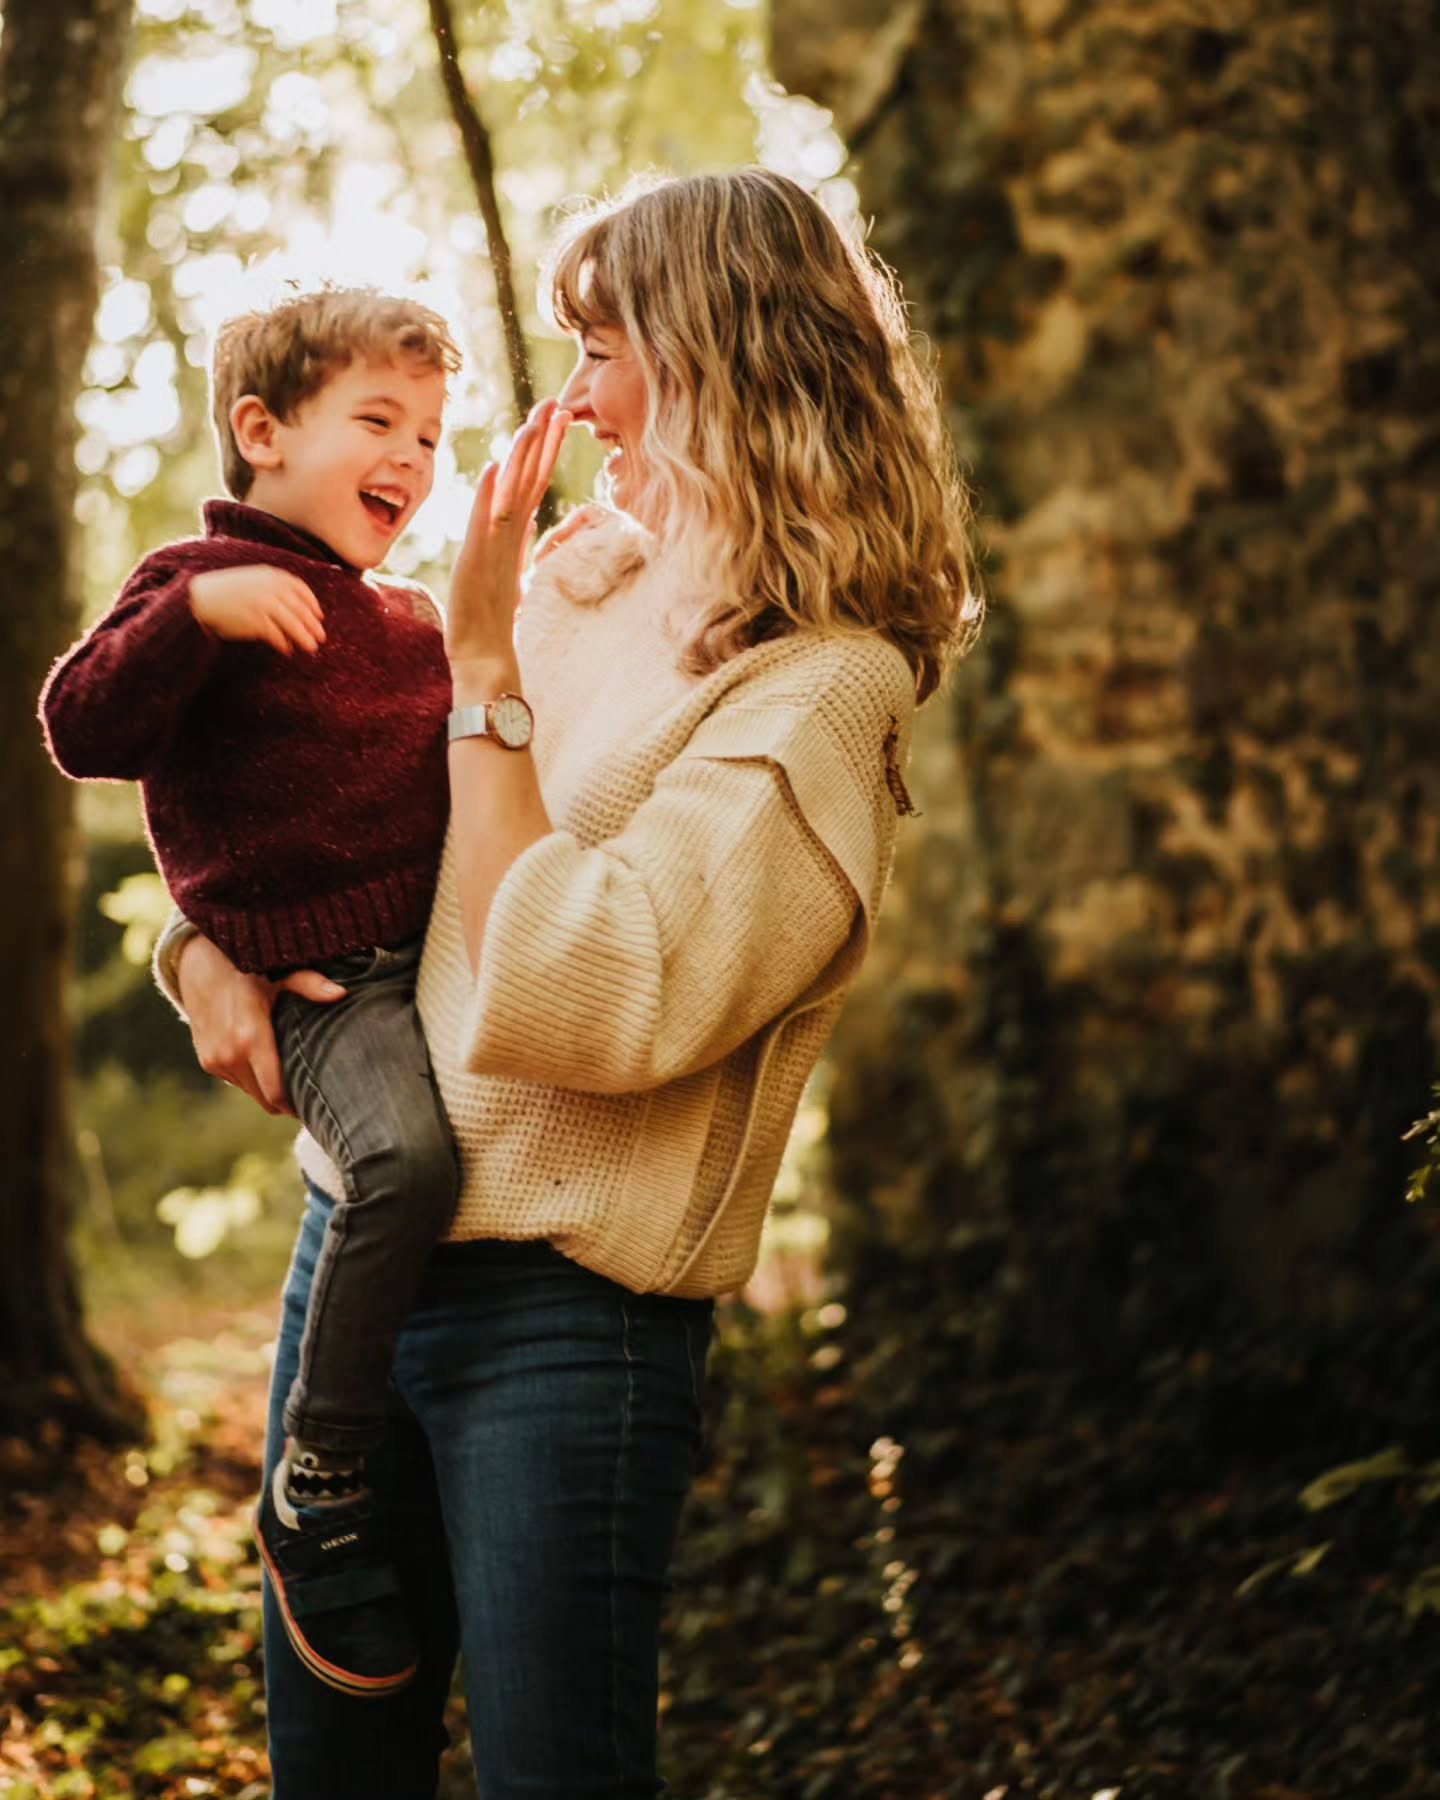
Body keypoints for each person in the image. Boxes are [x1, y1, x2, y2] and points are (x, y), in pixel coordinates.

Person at [158, 168, 979, 1800]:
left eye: (605, 344)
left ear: (725, 350)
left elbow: (597, 995)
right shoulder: (580, 575)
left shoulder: (822, 692)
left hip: (566, 1318)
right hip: (357, 1262)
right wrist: (202, 950)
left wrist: (481, 678)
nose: (576, 391)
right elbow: (315, 802)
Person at [40, 288, 472, 1698]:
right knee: (401, 1160)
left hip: (445, 965)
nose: (410, 456)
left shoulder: (406, 621)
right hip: (326, 991)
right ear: (263, 432)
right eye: (377, 422)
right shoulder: (192, 584)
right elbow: (81, 723)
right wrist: (200, 618)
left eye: (430, 431)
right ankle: (320, 1470)